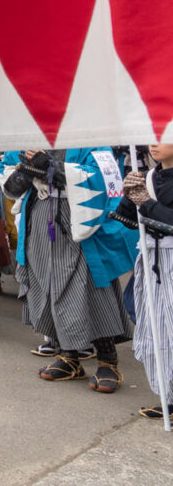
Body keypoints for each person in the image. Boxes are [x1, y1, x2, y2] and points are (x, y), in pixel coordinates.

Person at [2, 149, 137, 391]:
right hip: (41, 217)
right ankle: (68, 357)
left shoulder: (90, 139)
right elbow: (11, 188)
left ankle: (108, 361)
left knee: (89, 288)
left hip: (81, 221)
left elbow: (103, 180)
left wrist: (53, 166)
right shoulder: (30, 141)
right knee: (47, 285)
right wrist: (27, 167)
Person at [114, 144, 173, 418]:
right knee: (154, 327)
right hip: (151, 260)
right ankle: (168, 398)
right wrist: (129, 195)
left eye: (163, 137)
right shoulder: (149, 176)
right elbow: (128, 220)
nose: (154, 143)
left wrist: (146, 202)